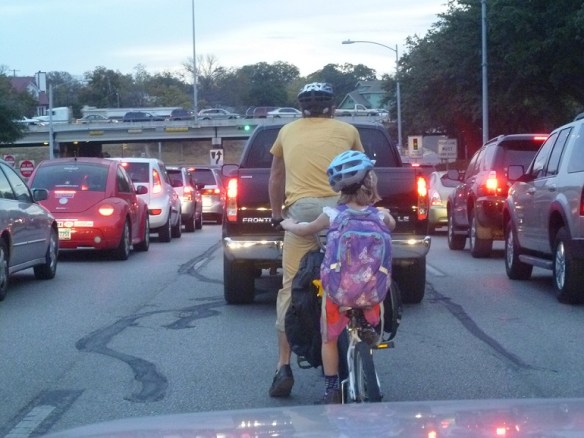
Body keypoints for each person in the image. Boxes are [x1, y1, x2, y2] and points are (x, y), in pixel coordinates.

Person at [268, 82, 365, 398]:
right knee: (355, 275)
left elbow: (276, 177)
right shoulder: (348, 130)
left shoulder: (287, 132)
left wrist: (275, 214)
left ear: (301, 110)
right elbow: (362, 174)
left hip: (304, 211)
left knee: (290, 288)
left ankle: (283, 366)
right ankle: (359, 340)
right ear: (332, 107)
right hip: (340, 208)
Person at [280, 150, 396, 404]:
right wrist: (382, 215)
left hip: (339, 293)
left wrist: (287, 224)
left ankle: (331, 389)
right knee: (375, 303)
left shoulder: (332, 215)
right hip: (372, 292)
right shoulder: (380, 215)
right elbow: (392, 226)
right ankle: (370, 331)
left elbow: (305, 230)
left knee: (329, 338)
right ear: (370, 182)